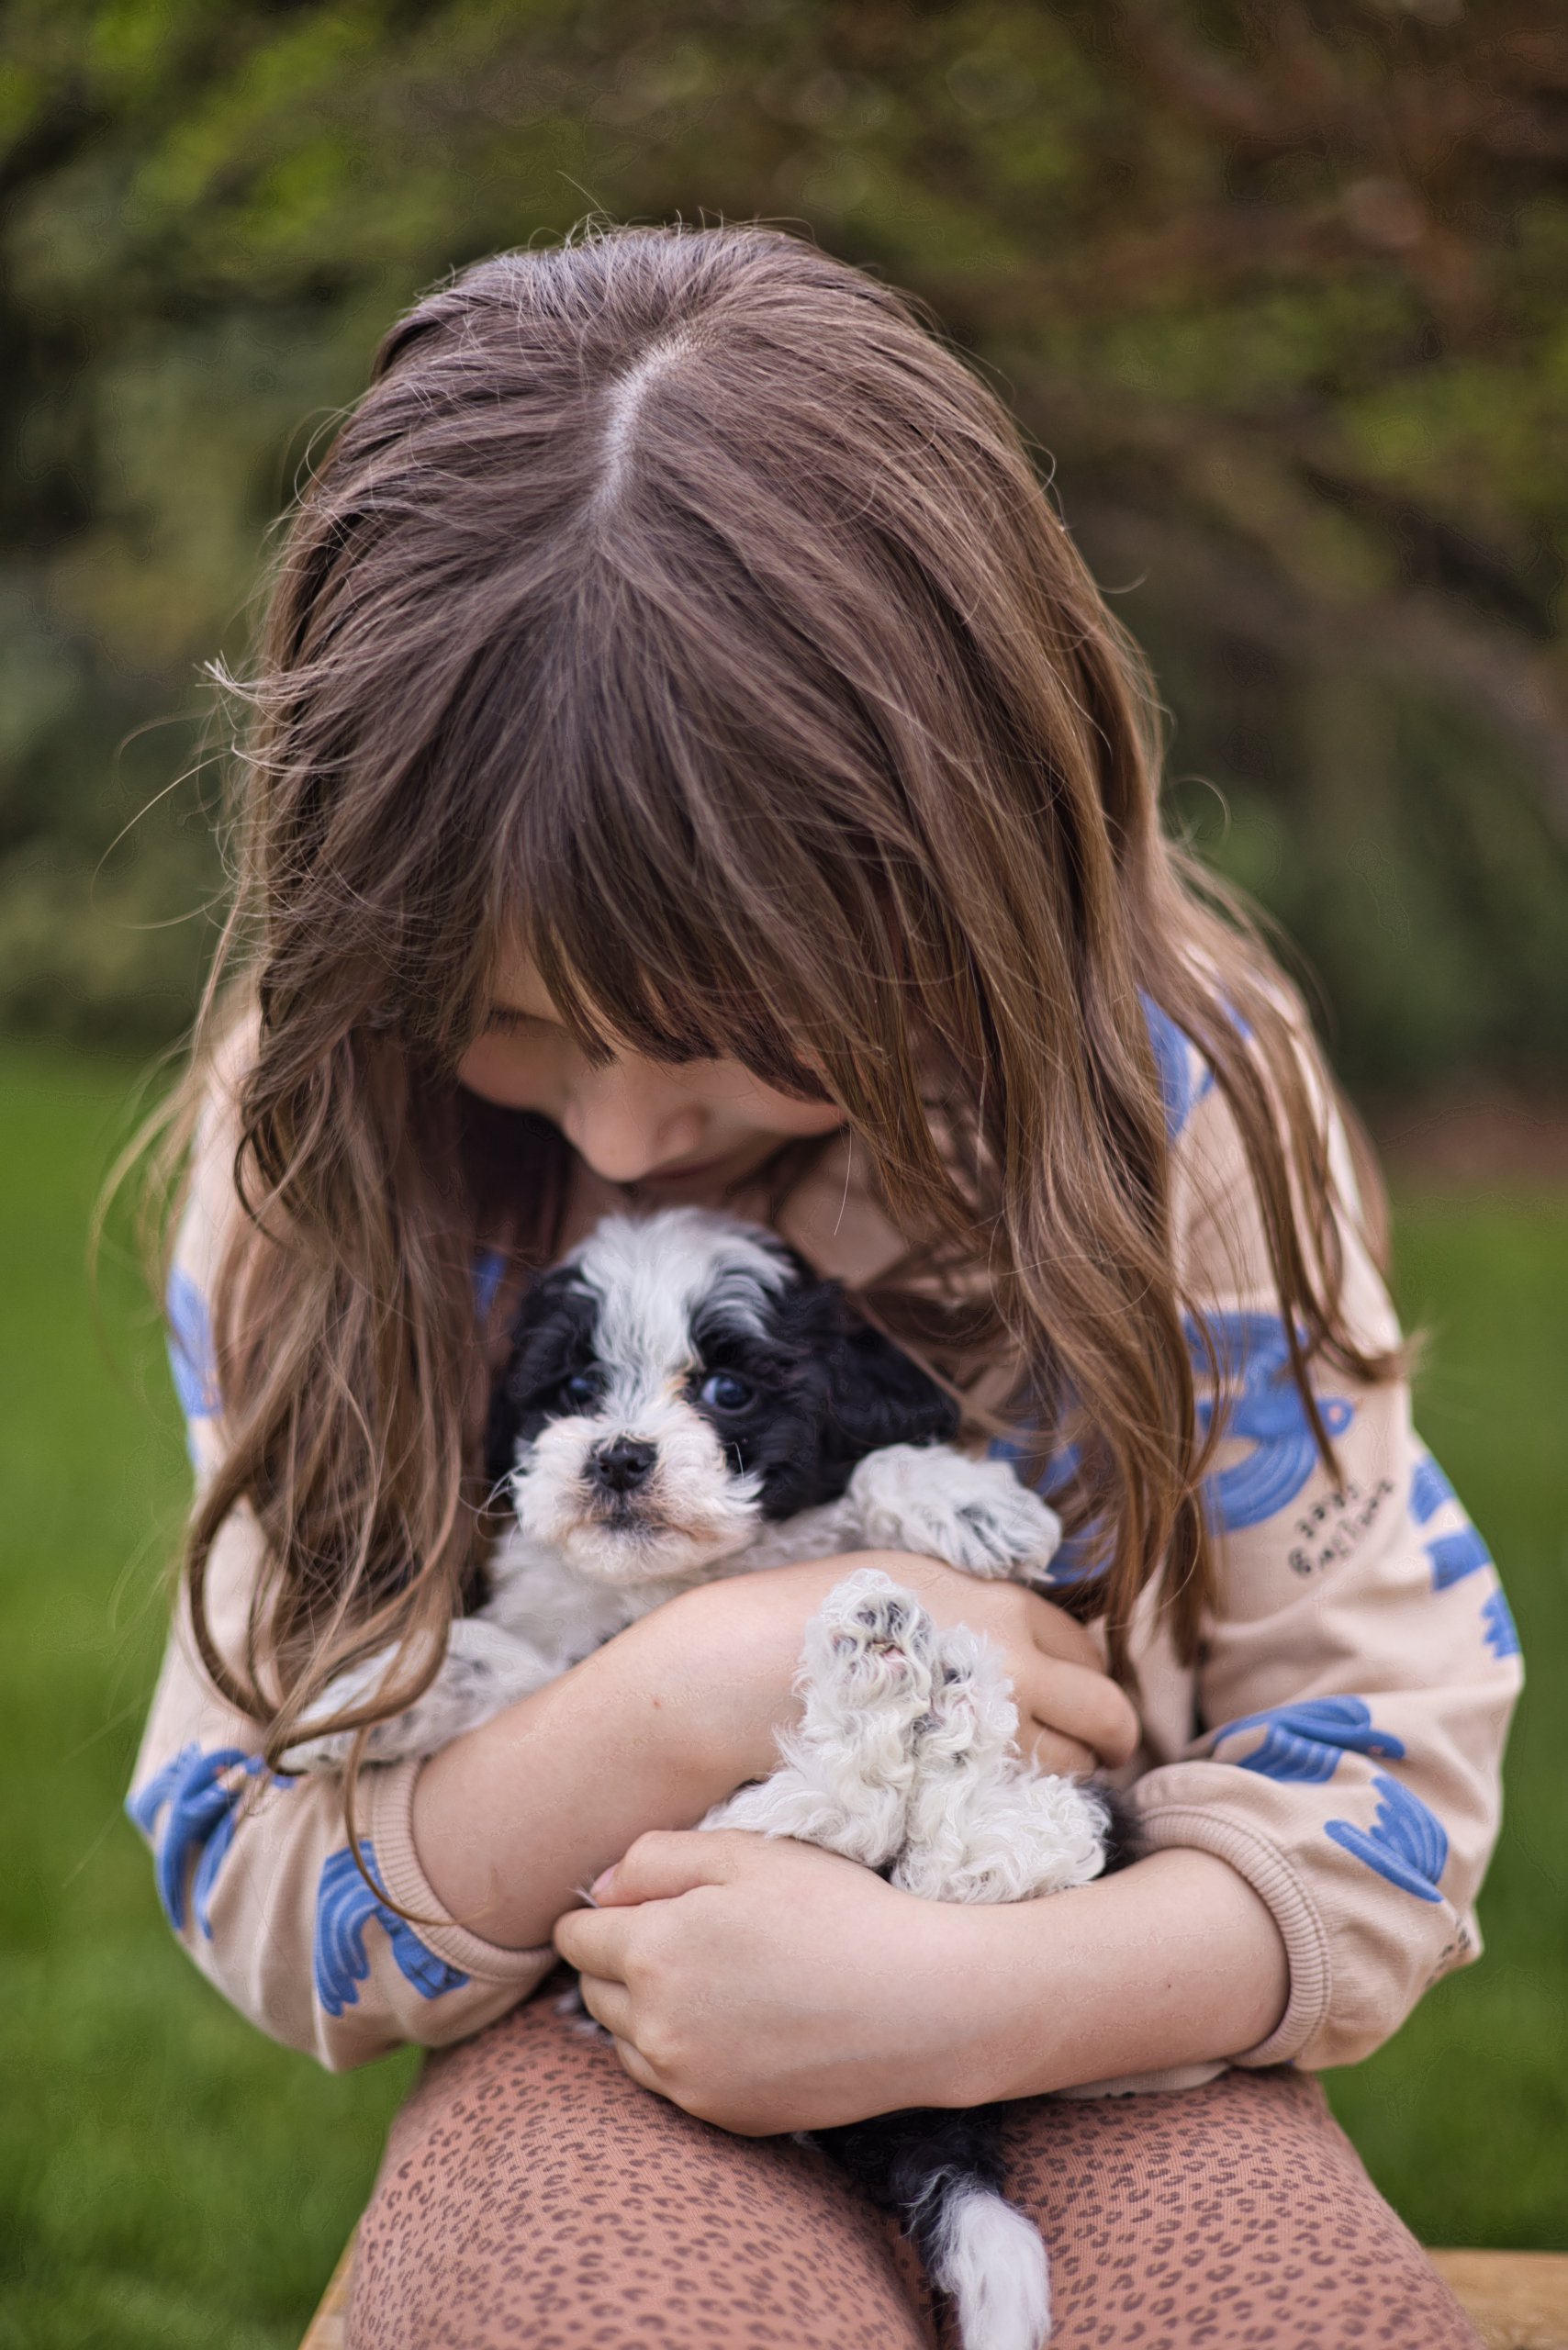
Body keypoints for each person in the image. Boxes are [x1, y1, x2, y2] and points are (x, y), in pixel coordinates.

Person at [126, 225, 1517, 2350]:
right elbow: (253, 1853)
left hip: (1107, 1991)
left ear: (969, 884)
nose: (612, 1131)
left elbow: (1389, 1777)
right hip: (595, 2028)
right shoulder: (319, 1136)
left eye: (715, 1028)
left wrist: (965, 1996)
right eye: (505, 1023)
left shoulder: (1176, 1092)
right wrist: (688, 1695)